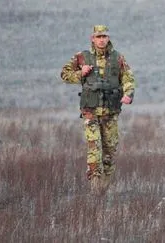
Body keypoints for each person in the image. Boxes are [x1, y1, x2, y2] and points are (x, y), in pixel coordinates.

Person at [61, 25, 135, 193]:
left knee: (109, 152)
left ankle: (104, 189)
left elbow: (129, 79)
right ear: (92, 38)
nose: (102, 39)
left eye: (104, 36)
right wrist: (81, 73)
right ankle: (95, 188)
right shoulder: (82, 57)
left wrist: (129, 94)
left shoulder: (117, 58)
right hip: (90, 111)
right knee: (94, 148)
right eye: (98, 36)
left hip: (110, 111)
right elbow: (64, 74)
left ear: (108, 38)